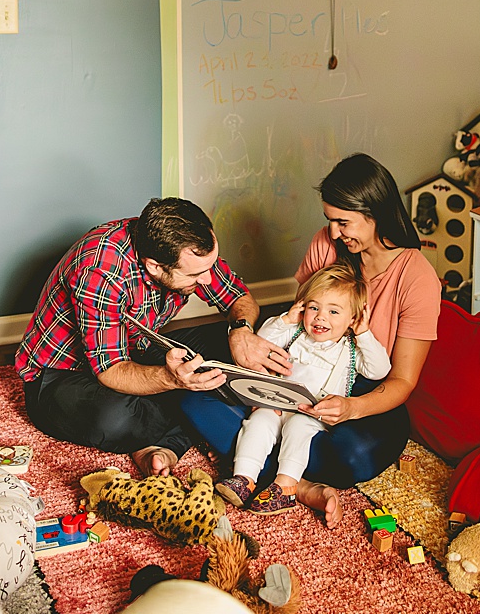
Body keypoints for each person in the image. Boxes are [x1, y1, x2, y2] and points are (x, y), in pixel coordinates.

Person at [181, 153, 440, 527]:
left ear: (376, 213)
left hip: (361, 386)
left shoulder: (417, 279)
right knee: (194, 395)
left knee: (355, 455)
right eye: (329, 220)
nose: (334, 233)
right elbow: (299, 320)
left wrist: (351, 408)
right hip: (297, 373)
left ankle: (278, 474)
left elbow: (401, 380)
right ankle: (296, 485)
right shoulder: (328, 244)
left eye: (343, 222)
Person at [15, 197, 293, 477]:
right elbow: (111, 370)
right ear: (155, 267)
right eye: (196, 274)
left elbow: (237, 296)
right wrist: (172, 380)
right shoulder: (99, 270)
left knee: (239, 348)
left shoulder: (188, 248)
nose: (208, 279)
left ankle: (170, 431)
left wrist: (241, 330)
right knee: (116, 420)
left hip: (135, 352)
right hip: (62, 377)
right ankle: (182, 431)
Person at [214, 263, 391, 515]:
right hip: (277, 403)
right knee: (258, 422)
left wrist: (364, 334)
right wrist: (287, 319)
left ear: (352, 319)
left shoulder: (350, 349)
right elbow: (263, 341)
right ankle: (244, 478)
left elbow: (379, 370)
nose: (320, 317)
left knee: (298, 428)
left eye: (333, 312)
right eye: (314, 307)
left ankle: (286, 485)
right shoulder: (296, 334)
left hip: (313, 413)